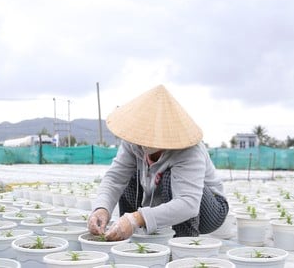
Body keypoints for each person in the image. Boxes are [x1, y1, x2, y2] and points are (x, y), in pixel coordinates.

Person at [88, 85, 229, 241]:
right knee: (129, 177)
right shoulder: (133, 142)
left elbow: (188, 203)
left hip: (209, 210)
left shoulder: (189, 150)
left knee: (168, 178)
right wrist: (102, 208)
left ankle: (183, 248)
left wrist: (137, 218)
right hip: (164, 200)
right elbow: (115, 178)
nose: (143, 140)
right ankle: (128, 237)